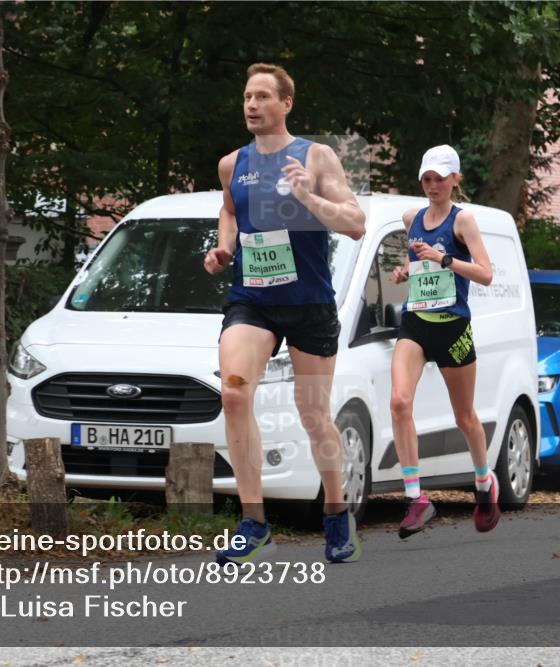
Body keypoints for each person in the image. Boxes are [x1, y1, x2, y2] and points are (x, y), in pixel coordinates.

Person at [203, 63, 366, 564]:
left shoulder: (316, 156)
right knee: (233, 391)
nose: (251, 105)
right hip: (252, 298)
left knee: (314, 415)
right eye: (246, 97)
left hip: (308, 303)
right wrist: (223, 247)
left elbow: (356, 224)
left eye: (262, 97)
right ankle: (254, 522)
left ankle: (337, 513)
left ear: (285, 103)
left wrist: (309, 197)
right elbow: (231, 209)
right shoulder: (233, 164)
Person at [389, 144, 498, 538]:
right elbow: (417, 265)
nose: (433, 186)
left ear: (455, 180)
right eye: (427, 179)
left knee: (464, 417)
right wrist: (406, 272)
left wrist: (443, 259)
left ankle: (484, 482)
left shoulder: (462, 221)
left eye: (440, 178)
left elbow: (486, 274)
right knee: (399, 401)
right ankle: (415, 498)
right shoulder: (411, 218)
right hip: (416, 322)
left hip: (453, 327)